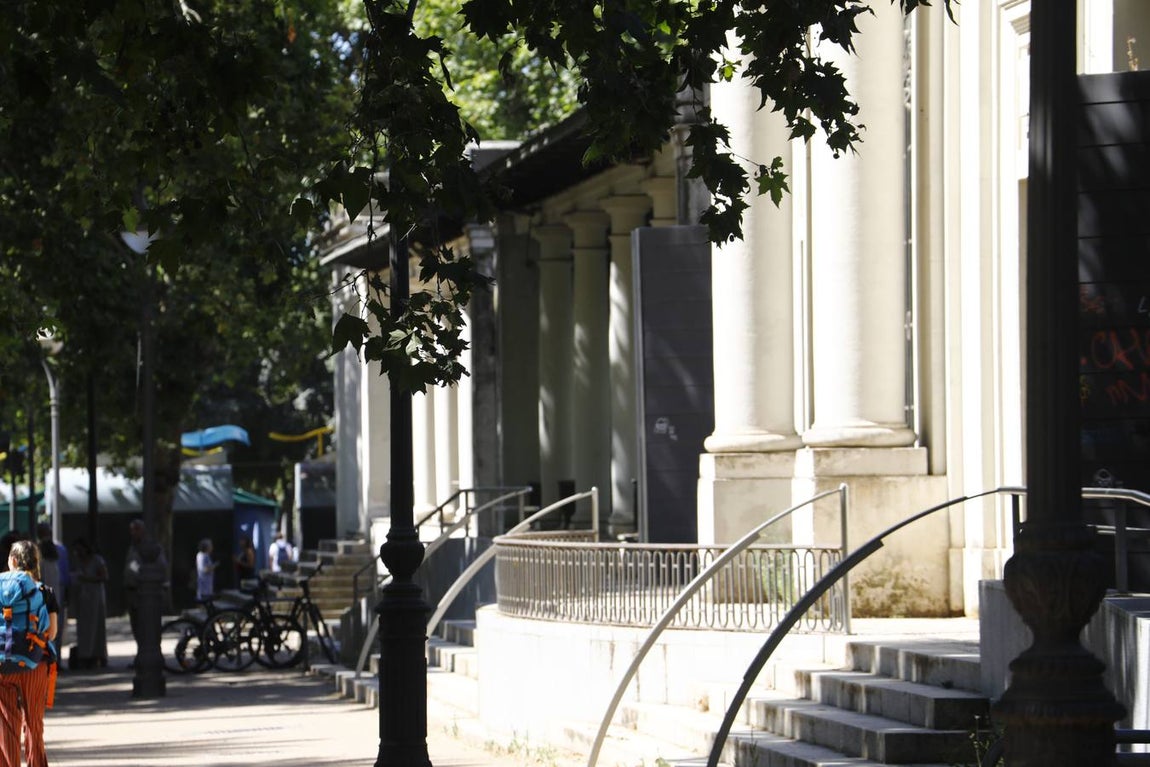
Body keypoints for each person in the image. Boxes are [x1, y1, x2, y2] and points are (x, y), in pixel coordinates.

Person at [6, 540, 57, 767]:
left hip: (2, 663)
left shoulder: (0, 588)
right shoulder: (45, 592)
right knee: (33, 723)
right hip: (36, 662)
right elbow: (52, 633)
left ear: (13, 561)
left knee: (7, 721)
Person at [69, 538, 107, 670]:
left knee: (96, 626)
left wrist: (87, 579)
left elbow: (104, 576)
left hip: (95, 597)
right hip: (83, 598)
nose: (78, 552)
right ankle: (85, 654)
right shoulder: (78, 562)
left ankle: (97, 655)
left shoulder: (97, 560)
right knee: (84, 628)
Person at [35, 524, 67, 657]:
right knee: (54, 628)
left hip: (46, 598)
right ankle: (54, 658)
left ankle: (51, 657)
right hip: (53, 597)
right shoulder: (54, 558)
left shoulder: (43, 560)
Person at [123, 519, 144, 652]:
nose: (132, 533)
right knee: (135, 624)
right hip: (131, 590)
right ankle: (140, 653)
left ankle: (143, 652)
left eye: (135, 529)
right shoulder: (132, 547)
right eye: (132, 530)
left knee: (142, 624)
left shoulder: (146, 547)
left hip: (141, 591)